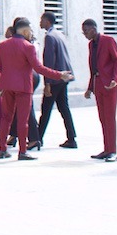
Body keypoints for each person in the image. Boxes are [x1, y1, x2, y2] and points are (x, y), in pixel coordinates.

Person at [0, 17, 73, 160]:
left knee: (6, 118)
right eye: (30, 30)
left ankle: (2, 150)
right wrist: (59, 75)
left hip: (7, 85)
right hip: (23, 86)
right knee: (23, 120)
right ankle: (22, 151)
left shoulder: (3, 45)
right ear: (25, 31)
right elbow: (38, 68)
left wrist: (3, 80)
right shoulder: (28, 46)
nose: (31, 33)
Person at [81, 18, 117, 162]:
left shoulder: (108, 40)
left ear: (93, 29)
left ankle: (113, 151)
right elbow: (93, 67)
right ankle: (107, 149)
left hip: (109, 84)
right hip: (98, 83)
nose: (85, 34)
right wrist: (89, 87)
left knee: (110, 117)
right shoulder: (91, 45)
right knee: (102, 118)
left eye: (86, 31)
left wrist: (115, 80)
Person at [36, 12, 77, 149]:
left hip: (55, 78)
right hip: (64, 76)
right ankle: (71, 137)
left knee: (46, 108)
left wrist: (47, 82)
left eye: (42, 20)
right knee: (63, 107)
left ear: (47, 21)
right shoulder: (59, 34)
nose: (40, 22)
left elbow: (49, 61)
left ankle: (37, 138)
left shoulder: (49, 37)